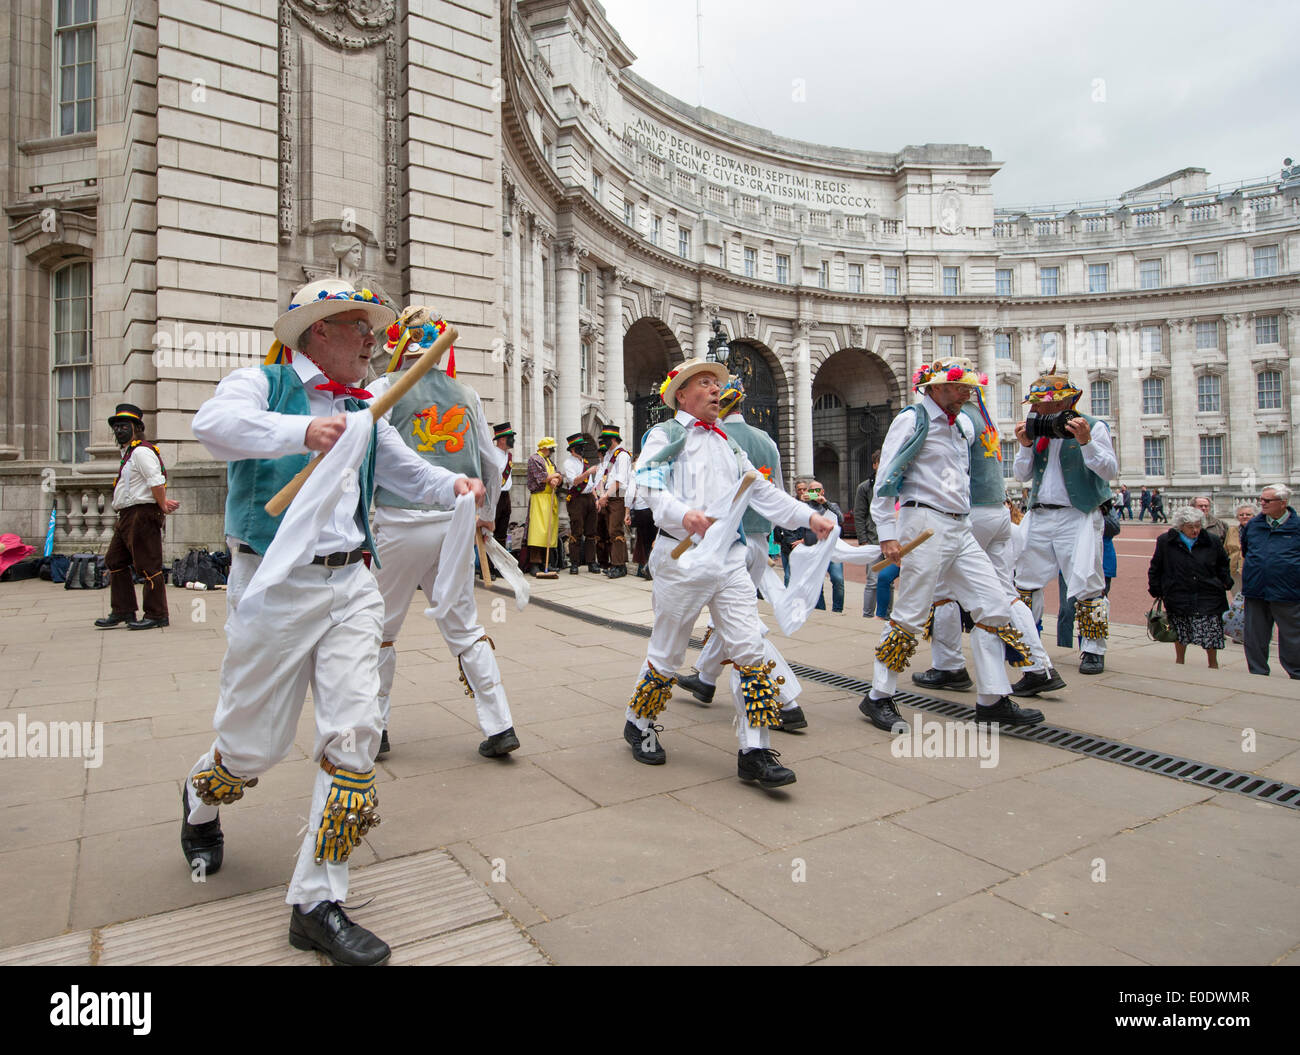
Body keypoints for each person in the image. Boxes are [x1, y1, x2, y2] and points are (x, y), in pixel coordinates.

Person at [183, 278, 483, 966]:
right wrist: (299, 431)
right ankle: (202, 795)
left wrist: (454, 486)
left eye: (376, 330)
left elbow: (407, 473)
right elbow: (212, 428)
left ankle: (317, 900)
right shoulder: (263, 383)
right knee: (251, 747)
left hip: (353, 580)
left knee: (354, 732)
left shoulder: (366, 409)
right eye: (360, 328)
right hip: (274, 584)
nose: (375, 340)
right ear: (319, 332)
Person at [624, 360, 834, 788]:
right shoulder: (667, 435)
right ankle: (638, 721)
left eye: (717, 384)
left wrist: (807, 517)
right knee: (667, 651)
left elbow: (761, 491)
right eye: (705, 383)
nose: (716, 390)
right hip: (681, 558)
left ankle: (753, 751)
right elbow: (648, 485)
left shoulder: (727, 445)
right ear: (681, 395)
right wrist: (685, 515)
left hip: (730, 559)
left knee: (749, 649)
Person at [369, 308, 518, 760]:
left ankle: (375, 730)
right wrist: (487, 512)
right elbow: (492, 463)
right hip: (454, 522)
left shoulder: (381, 389)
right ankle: (500, 723)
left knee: (380, 628)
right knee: (464, 623)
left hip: (399, 521)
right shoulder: (467, 393)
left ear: (398, 344)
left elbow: (367, 456)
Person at [866, 357, 1043, 733]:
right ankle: (878, 696)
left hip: (961, 526)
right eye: (959, 386)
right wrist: (887, 533)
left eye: (968, 387)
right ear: (935, 387)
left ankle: (993, 699)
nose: (967, 393)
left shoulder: (962, 424)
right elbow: (885, 478)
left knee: (993, 606)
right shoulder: (912, 419)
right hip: (924, 522)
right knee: (912, 612)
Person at [674, 376, 809, 732]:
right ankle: (705, 679)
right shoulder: (765, 440)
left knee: (742, 622)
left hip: (726, 541)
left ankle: (786, 699)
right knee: (731, 617)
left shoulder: (716, 439)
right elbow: (774, 490)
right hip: (760, 538)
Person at [912, 396, 1063, 697]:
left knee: (942, 589)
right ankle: (1038, 667)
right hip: (998, 511)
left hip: (972, 514)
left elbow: (954, 465)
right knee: (1004, 590)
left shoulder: (960, 420)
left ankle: (949, 665)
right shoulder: (983, 413)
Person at [1012, 367, 1118, 674]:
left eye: (1042, 405)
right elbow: (1022, 475)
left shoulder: (1094, 427)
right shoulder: (1038, 434)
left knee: (1087, 580)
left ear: (1064, 404)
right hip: (1041, 513)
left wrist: (1086, 441)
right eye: (1035, 405)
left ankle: (1094, 649)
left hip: (1079, 514)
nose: (1036, 410)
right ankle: (1025, 642)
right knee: (1025, 581)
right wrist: (1025, 446)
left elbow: (1109, 471)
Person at [94, 403, 178, 631]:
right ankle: (123, 610)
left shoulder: (141, 451)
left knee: (148, 564)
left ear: (137, 428)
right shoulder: (129, 453)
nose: (119, 430)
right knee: (115, 560)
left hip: (141, 514)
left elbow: (156, 479)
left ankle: (157, 614)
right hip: (127, 515)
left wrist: (161, 504)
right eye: (116, 427)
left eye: (124, 426)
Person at [1148, 506, 1232, 669]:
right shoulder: (1166, 541)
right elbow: (1156, 566)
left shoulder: (1212, 540)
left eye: (1198, 526)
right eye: (1190, 527)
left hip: (1209, 592)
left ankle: (1213, 664)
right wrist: (1156, 588)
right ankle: (1180, 661)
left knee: (1211, 630)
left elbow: (1223, 563)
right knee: (1180, 629)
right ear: (1180, 527)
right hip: (1178, 592)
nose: (1195, 530)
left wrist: (1225, 581)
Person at [1239, 485, 1300, 678]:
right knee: (1255, 636)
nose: (1261, 503)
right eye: (1261, 499)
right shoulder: (1254, 525)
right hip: (1256, 589)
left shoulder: (1297, 527)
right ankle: (1257, 672)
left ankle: (1296, 672)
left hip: (1288, 591)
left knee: (1292, 637)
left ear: (1283, 503)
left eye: (1267, 501)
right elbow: (1246, 551)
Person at [593, 427, 633, 578]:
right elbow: (603, 478)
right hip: (607, 496)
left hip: (617, 496)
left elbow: (619, 480)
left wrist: (605, 496)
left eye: (606, 440)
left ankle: (619, 566)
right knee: (608, 531)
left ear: (614, 439)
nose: (603, 443)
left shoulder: (622, 455)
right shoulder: (610, 455)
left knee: (615, 531)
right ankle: (614, 563)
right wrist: (600, 496)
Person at [802, 481, 844, 612]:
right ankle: (820, 610)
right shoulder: (805, 507)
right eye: (812, 491)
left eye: (818, 490)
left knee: (838, 580)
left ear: (823, 491)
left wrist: (825, 503)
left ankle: (837, 610)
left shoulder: (831, 506)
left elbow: (840, 518)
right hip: (814, 549)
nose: (815, 493)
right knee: (816, 583)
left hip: (832, 550)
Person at [561, 433, 600, 574]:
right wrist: (588, 472)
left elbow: (591, 484)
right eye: (579, 447)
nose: (582, 449)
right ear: (572, 449)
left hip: (589, 497)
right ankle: (575, 563)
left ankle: (591, 562)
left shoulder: (585, 462)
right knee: (576, 530)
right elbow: (574, 481)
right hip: (576, 499)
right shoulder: (568, 463)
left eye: (582, 447)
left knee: (591, 531)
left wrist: (595, 499)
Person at [524, 437, 561, 573]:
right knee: (537, 532)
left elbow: (558, 475)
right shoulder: (535, 459)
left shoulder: (549, 461)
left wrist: (556, 479)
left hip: (550, 498)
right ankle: (535, 563)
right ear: (545, 448)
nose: (552, 451)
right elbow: (542, 477)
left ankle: (547, 563)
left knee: (549, 532)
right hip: (539, 499)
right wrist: (553, 477)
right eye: (551, 448)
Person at [854, 452, 880, 616]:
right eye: (880, 462)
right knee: (872, 580)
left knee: (888, 581)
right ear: (874, 465)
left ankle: (886, 614)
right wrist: (863, 540)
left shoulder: (898, 483)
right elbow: (859, 514)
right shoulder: (865, 487)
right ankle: (868, 615)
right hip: (873, 540)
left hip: (893, 540)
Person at [491, 422, 515, 551]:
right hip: (495, 495)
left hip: (506, 495)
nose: (513, 440)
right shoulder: (492, 454)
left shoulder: (508, 455)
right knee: (491, 530)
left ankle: (499, 565)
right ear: (501, 439)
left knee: (502, 531)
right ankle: (488, 566)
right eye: (510, 437)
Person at [1224, 503, 1256, 592]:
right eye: (1241, 515)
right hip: (1234, 571)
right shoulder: (1231, 530)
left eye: (1248, 514)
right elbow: (1225, 550)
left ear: (1254, 516)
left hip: (1252, 569)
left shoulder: (1259, 530)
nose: (1244, 517)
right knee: (1237, 600)